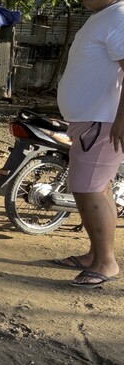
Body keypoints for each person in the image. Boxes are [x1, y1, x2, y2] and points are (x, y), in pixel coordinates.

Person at [54, 0, 124, 288]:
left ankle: (105, 263)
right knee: (98, 187)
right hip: (92, 121)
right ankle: (96, 254)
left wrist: (122, 120)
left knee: (87, 188)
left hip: (102, 122)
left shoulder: (119, 16)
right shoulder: (104, 16)